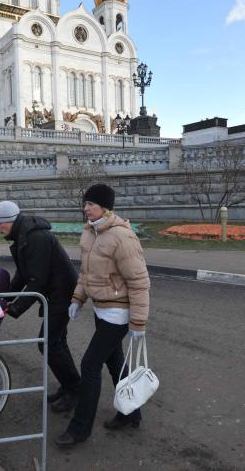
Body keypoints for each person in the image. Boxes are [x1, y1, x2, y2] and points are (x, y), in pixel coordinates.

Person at [55, 183, 150, 447]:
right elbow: (87, 274)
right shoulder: (90, 233)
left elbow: (139, 281)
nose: (85, 208)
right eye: (85, 204)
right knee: (115, 362)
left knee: (90, 365)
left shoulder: (122, 237)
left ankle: (79, 429)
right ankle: (131, 412)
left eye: (91, 204)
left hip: (118, 314)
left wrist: (138, 321)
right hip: (101, 309)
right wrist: (78, 297)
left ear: (105, 208)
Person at [0, 200, 81, 412]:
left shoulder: (36, 238)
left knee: (49, 343)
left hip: (62, 293)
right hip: (55, 292)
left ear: (10, 221)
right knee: (56, 342)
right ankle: (69, 386)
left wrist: (14, 308)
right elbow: (23, 273)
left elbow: (37, 280)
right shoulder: (24, 235)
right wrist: (4, 297)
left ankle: (76, 390)